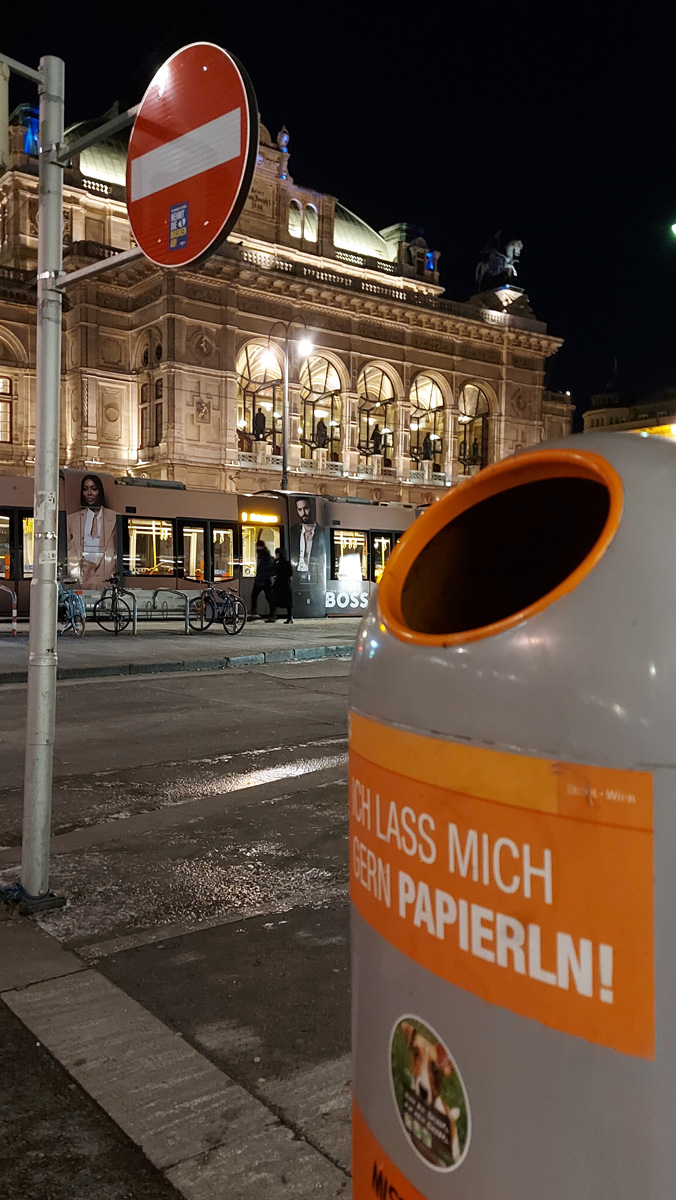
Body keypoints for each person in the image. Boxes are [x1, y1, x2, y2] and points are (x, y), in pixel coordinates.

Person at [67, 473, 117, 588]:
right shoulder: (72, 519)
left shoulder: (114, 517)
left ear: (100, 491)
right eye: (85, 489)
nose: (89, 493)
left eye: (94, 489)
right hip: (80, 582)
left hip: (106, 583)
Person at [288, 496, 328, 618]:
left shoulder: (322, 532)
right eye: (300, 509)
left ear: (311, 507)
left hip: (316, 580)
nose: (303, 513)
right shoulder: (293, 532)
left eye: (306, 508)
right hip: (297, 578)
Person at [250, 538, 275, 620]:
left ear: (260, 546)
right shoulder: (264, 554)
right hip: (265, 580)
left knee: (255, 596)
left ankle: (254, 612)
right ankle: (272, 614)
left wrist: (259, 578)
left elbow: (262, 568)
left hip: (262, 580)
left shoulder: (263, 555)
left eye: (257, 546)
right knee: (268, 597)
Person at [272, 546, 293, 623]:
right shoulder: (286, 563)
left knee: (274, 600)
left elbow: (274, 572)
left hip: (280, 584)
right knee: (288, 602)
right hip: (286, 584)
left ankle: (273, 615)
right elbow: (290, 573)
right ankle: (289, 617)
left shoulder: (278, 563)